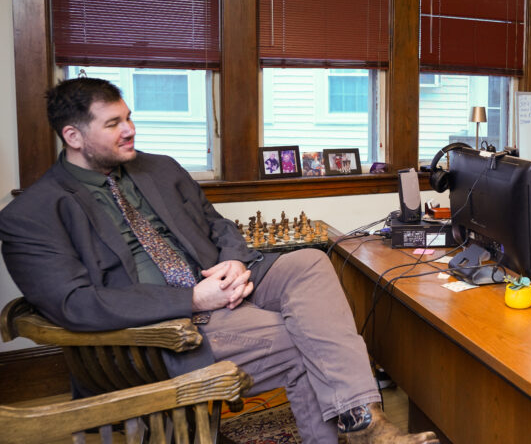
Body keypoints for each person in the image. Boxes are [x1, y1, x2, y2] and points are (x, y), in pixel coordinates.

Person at [0, 78, 438, 444]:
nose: (130, 129)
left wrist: (233, 262)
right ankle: (366, 423)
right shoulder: (32, 215)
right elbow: (75, 304)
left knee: (308, 259)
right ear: (72, 136)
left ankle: (360, 422)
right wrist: (192, 299)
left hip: (219, 286)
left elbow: (218, 226)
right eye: (114, 123)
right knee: (307, 340)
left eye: (129, 116)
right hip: (159, 330)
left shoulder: (160, 169)